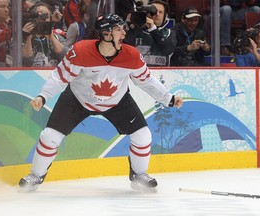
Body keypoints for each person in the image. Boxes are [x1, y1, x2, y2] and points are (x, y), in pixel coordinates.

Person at [18, 14, 183, 192]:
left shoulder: (131, 55)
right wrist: (43, 96)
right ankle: (36, 175)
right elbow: (60, 76)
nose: (124, 33)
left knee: (143, 136)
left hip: (117, 101)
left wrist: (168, 98)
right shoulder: (80, 51)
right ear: (106, 34)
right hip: (77, 99)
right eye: (119, 29)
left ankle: (139, 175)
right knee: (49, 136)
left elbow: (146, 80)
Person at [124, 0, 177, 66]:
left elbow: (168, 50)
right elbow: (124, 49)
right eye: (153, 11)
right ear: (146, 13)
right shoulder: (136, 30)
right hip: (138, 72)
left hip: (161, 73)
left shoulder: (169, 32)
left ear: (165, 16)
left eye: (160, 12)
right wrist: (128, 26)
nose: (157, 14)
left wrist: (153, 29)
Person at [22, 2, 69, 67]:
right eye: (39, 15)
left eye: (46, 16)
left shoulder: (57, 37)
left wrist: (51, 37)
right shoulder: (22, 37)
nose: (42, 19)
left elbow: (67, 57)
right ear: (32, 18)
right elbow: (27, 62)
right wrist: (28, 37)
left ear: (50, 19)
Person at [0, 0, 13, 67]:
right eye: (2, 7)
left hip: (10, 64)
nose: (6, 10)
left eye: (8, 7)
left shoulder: (11, 25)